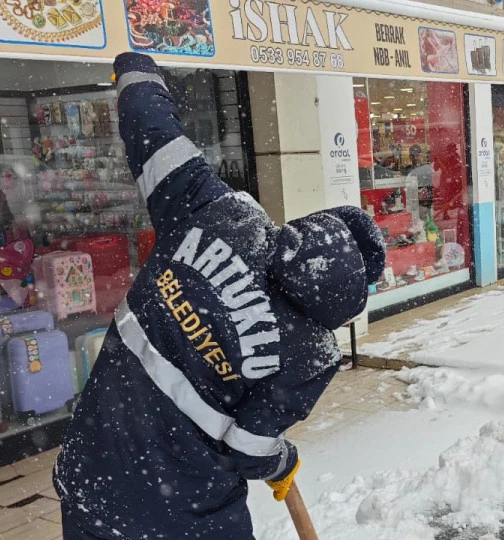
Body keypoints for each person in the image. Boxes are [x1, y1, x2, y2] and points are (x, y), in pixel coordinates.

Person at [53, 53, 386, 539]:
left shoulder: (220, 214)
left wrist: (137, 71)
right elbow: (249, 451)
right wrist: (281, 460)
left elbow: (151, 131)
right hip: (192, 515)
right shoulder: (313, 354)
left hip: (94, 481)